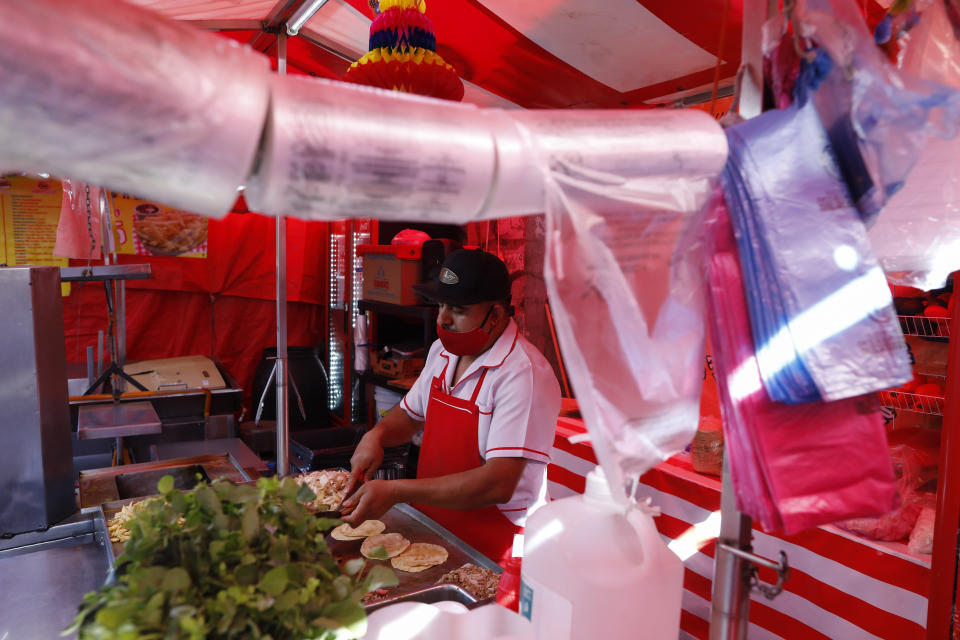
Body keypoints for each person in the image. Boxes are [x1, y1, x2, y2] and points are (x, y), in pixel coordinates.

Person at [341, 248, 561, 564]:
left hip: (499, 548)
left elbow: (497, 483)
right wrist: (375, 436)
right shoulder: (441, 353)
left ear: (496, 315)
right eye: (441, 305)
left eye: (457, 310)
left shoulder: (523, 374)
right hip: (438, 528)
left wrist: (397, 491)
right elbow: (409, 415)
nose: (443, 318)